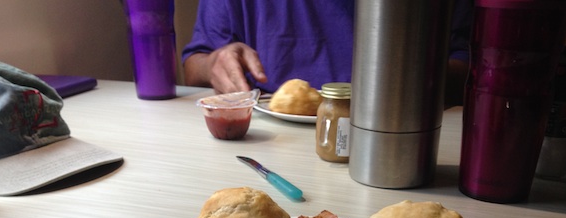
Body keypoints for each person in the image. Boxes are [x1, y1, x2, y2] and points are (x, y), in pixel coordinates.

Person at [182, 0, 472, 107]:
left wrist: (405, 74)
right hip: (265, 138)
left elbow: (469, 70)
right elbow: (194, 68)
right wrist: (215, 63)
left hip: (399, 133)